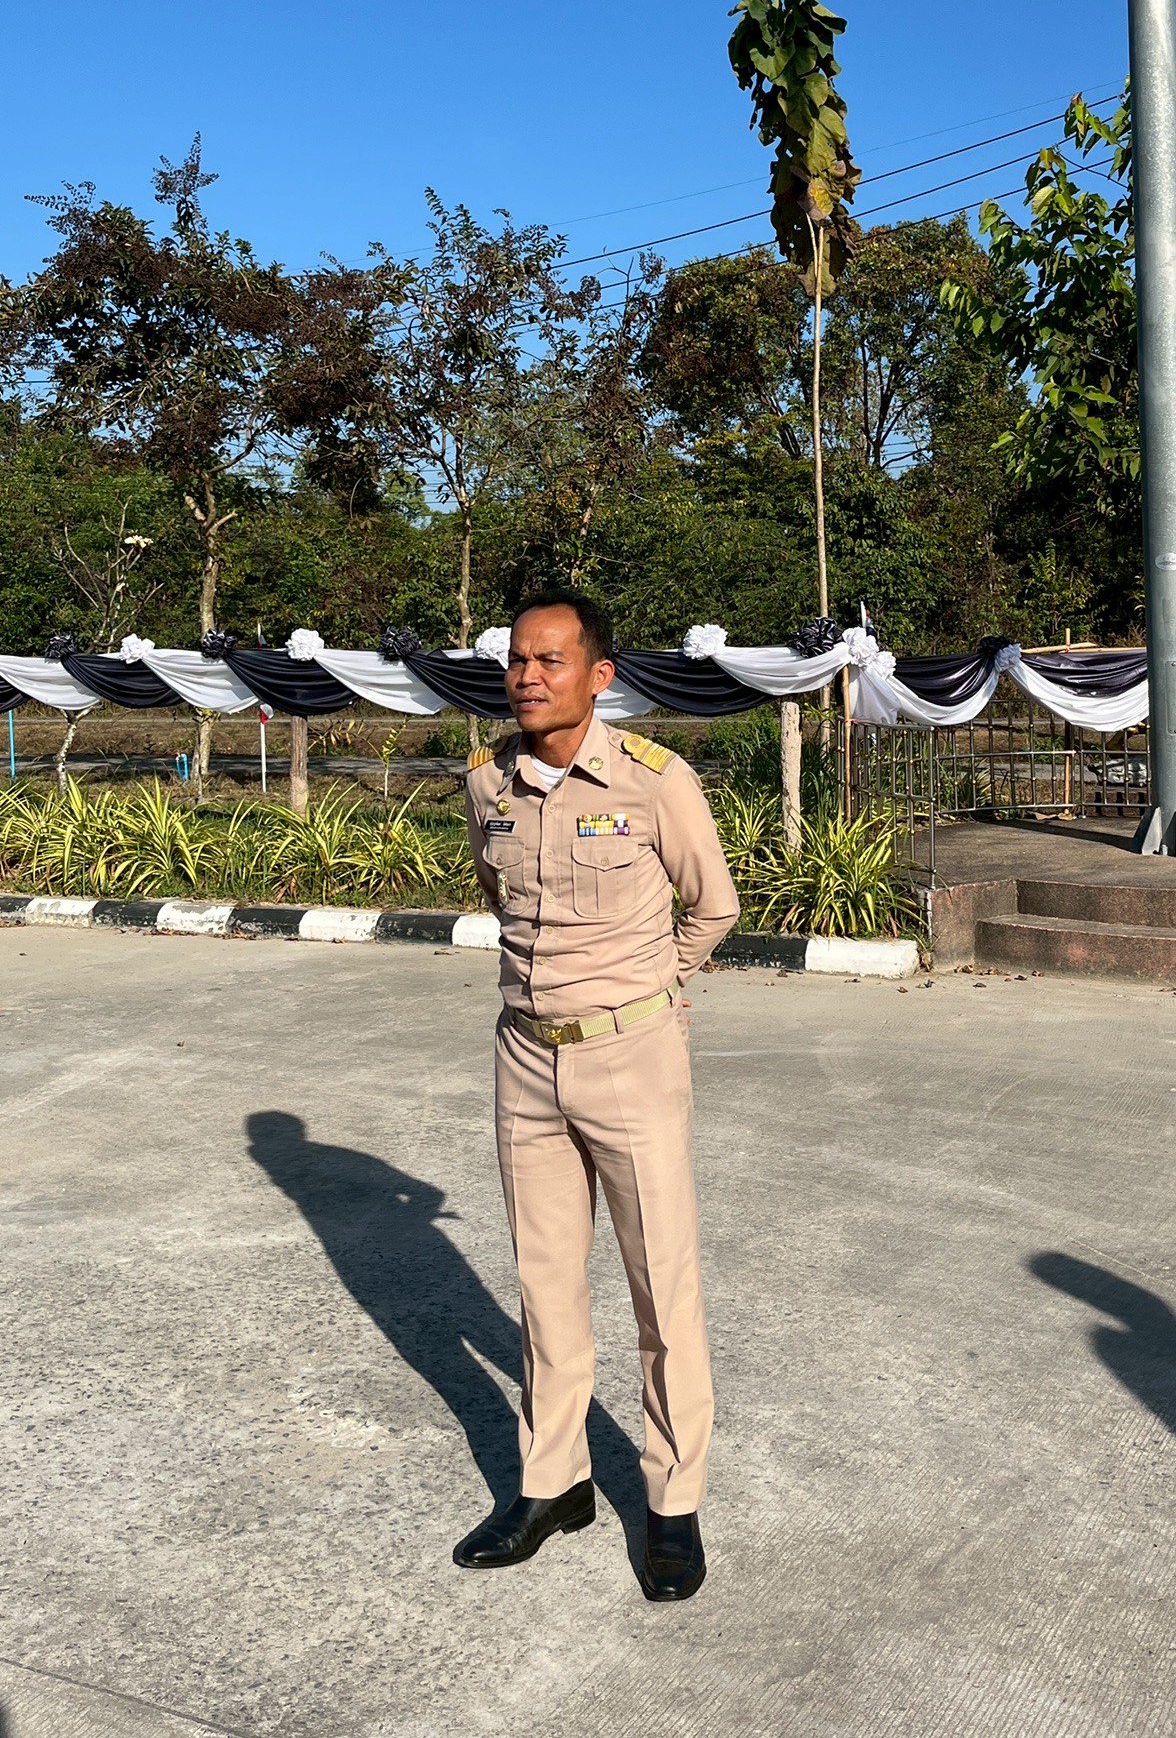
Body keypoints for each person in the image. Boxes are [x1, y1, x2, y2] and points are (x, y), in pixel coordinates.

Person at [453, 591, 739, 1602]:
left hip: (631, 1057)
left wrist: (650, 990)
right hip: (524, 1056)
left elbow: (713, 906)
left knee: (662, 1286)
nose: (528, 677)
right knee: (544, 1283)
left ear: (598, 675)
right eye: (517, 660)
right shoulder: (486, 780)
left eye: (551, 661)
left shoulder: (655, 781)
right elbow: (503, 901)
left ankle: (671, 1502)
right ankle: (554, 1483)